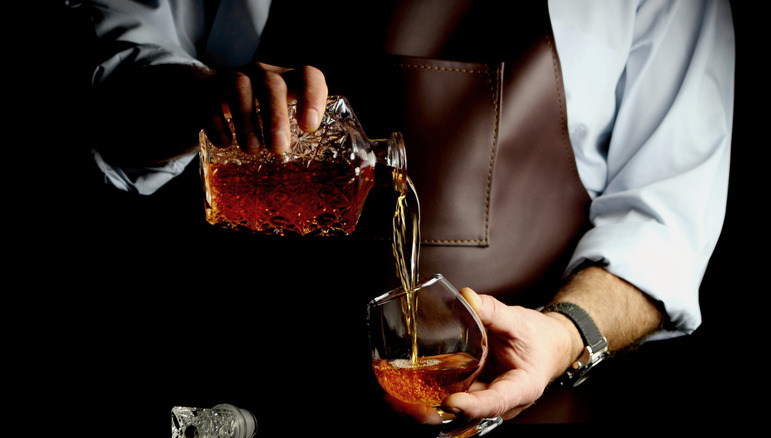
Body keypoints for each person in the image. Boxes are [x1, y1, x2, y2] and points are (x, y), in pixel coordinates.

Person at [74, 0, 734, 428]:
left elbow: (666, 221)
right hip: (241, 396)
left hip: (507, 417)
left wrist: (565, 335)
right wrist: (189, 97)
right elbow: (99, 61)